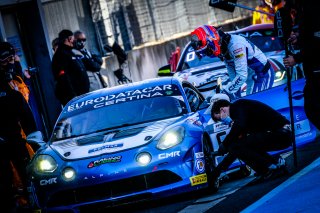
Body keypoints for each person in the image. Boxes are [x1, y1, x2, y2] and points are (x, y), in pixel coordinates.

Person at [211, 98, 292, 183]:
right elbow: (235, 150)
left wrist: (224, 144)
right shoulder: (241, 112)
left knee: (237, 146)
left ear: (222, 109)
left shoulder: (238, 106)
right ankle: (273, 166)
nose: (222, 121)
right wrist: (218, 170)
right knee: (241, 146)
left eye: (220, 118)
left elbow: (238, 129)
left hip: (281, 134)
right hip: (280, 134)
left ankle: (269, 169)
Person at [190, 25, 275, 100]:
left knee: (256, 106)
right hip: (251, 78)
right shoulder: (223, 47)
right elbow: (233, 77)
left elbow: (241, 76)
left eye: (207, 51)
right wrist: (233, 97)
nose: (208, 54)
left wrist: (225, 92)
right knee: (247, 106)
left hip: (263, 75)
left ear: (213, 39)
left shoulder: (236, 45)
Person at [0, 73, 38, 211]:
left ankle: (30, 203)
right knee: (19, 176)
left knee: (24, 175)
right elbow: (27, 120)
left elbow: (27, 119)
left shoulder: (14, 95)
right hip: (13, 140)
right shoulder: (14, 95)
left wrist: (34, 140)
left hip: (15, 140)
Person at [52, 29, 90, 106]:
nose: (74, 41)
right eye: (73, 38)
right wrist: (73, 97)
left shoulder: (70, 52)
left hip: (82, 95)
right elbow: (63, 78)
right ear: (69, 39)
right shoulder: (61, 54)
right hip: (75, 98)